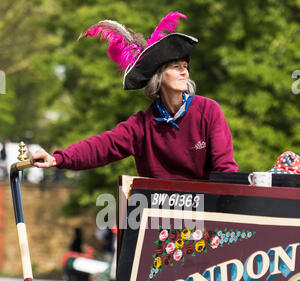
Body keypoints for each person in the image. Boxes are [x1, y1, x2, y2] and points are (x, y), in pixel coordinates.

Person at [30, 12, 238, 180]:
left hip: (204, 216)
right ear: (158, 77)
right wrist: (58, 158)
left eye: (185, 67)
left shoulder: (208, 111)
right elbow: (102, 146)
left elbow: (225, 169)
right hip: (160, 219)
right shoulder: (141, 126)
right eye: (176, 67)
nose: (185, 72)